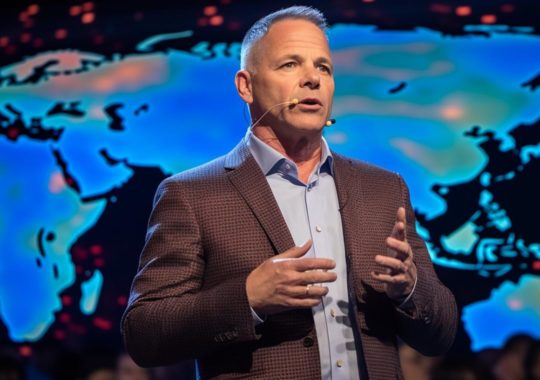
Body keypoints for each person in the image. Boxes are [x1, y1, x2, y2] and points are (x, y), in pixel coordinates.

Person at [122, 6, 458, 379]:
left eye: (323, 67)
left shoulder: (383, 189)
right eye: (289, 65)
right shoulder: (193, 195)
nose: (312, 79)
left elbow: (441, 336)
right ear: (246, 86)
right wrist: (248, 297)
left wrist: (411, 289)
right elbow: (144, 332)